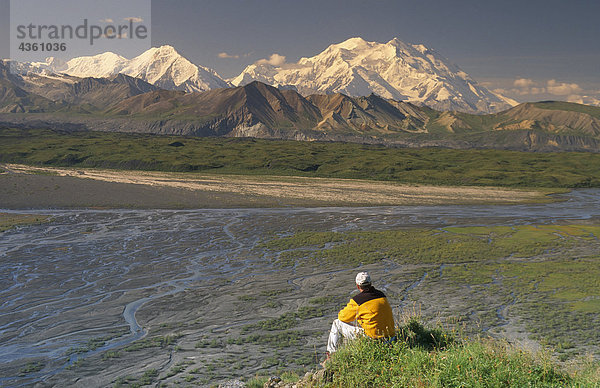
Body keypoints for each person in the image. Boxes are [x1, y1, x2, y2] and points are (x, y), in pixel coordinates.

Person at [326, 271, 396, 355]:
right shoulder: (382, 295)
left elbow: (342, 317)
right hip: (391, 338)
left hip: (374, 341)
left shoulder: (358, 301)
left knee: (337, 323)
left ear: (358, 286)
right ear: (370, 283)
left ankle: (331, 354)